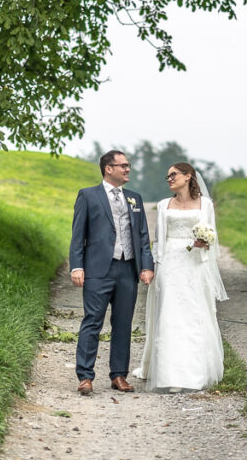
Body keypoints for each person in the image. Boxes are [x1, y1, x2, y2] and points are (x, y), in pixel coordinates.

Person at [133, 161, 228, 392]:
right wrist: (154, 267)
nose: (170, 179)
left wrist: (205, 242)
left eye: (173, 174)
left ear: (188, 176)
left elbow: (212, 236)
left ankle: (194, 372)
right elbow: (159, 240)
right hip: (170, 264)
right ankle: (169, 374)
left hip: (195, 265)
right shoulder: (163, 205)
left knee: (193, 315)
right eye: (168, 176)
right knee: (170, 314)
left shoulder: (205, 204)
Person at [69, 149, 154, 395]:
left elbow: (143, 236)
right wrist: (77, 266)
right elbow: (78, 234)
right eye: (123, 165)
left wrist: (146, 266)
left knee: (123, 324)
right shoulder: (88, 195)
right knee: (92, 321)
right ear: (108, 168)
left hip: (127, 269)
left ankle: (118, 375)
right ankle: (85, 376)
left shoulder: (135, 198)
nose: (128, 169)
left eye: (128, 165)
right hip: (98, 269)